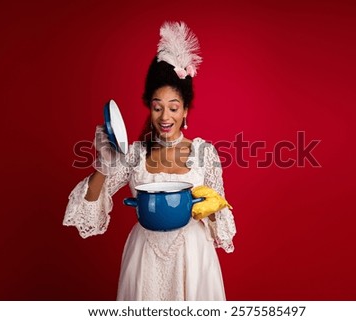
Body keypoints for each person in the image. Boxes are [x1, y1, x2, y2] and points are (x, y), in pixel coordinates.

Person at [63, 21, 236, 300]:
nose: (165, 117)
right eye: (157, 107)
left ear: (185, 111)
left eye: (173, 108)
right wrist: (103, 166)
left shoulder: (205, 153)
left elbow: (223, 225)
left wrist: (214, 207)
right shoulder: (134, 154)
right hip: (144, 257)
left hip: (193, 257)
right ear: (150, 108)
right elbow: (89, 209)